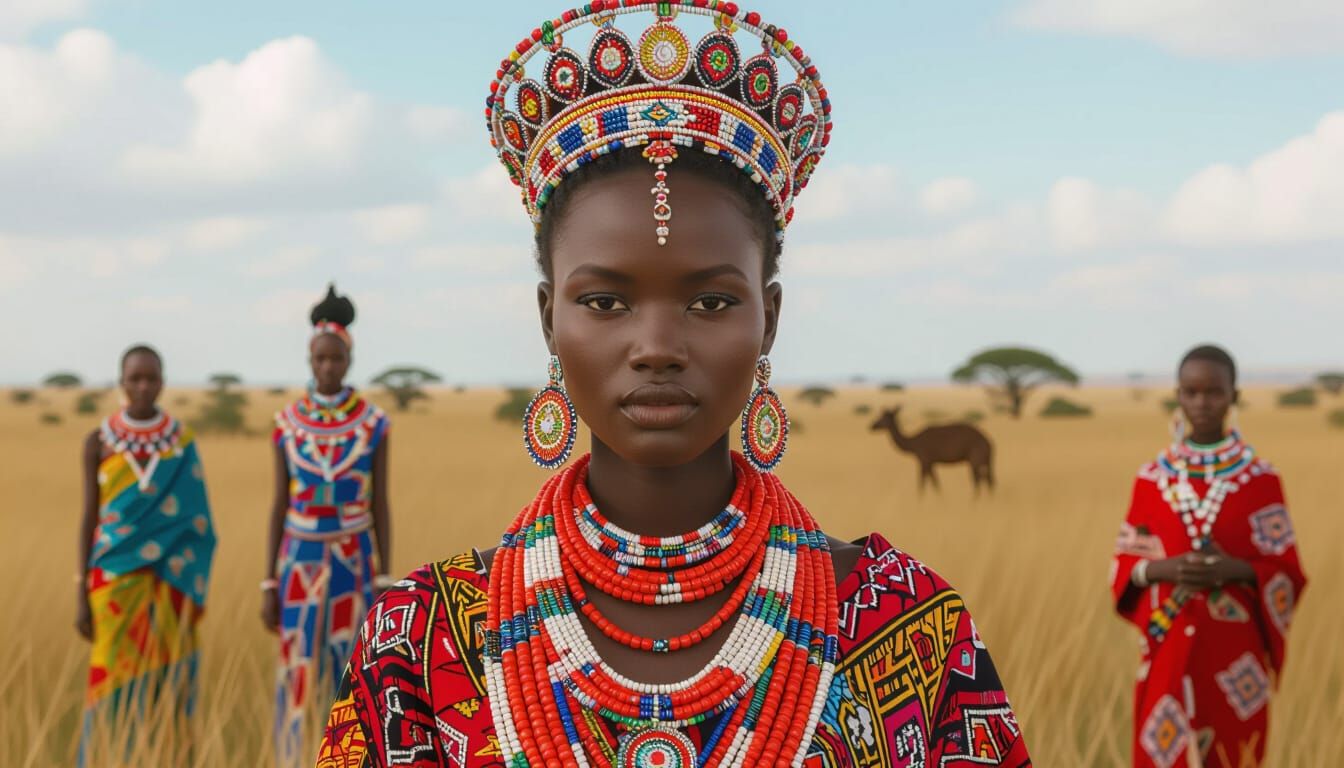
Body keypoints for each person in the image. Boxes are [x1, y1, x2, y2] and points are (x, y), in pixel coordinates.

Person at [318, 5, 1030, 766]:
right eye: (605, 302)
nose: (657, 346)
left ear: (771, 319)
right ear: (547, 319)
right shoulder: (420, 648)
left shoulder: (908, 623)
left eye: (710, 302)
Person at [1110, 345, 1307, 767]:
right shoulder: (1152, 478)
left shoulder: (1260, 479)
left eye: (1214, 392)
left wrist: (1232, 570)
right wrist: (1164, 568)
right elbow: (1125, 566)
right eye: (1191, 392)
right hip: (1167, 646)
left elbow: (1287, 573)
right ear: (1178, 395)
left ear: (1234, 395)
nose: (1202, 403)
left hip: (1235, 660)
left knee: (1235, 754)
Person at [268, 285, 394, 767]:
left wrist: (384, 574)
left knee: (352, 663)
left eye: (336, 359)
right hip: (298, 559)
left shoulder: (372, 422)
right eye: (320, 359)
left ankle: (350, 756)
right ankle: (291, 757)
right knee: (297, 662)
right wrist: (267, 579)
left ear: (349, 359)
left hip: (354, 557)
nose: (327, 367)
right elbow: (278, 503)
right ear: (309, 358)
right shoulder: (286, 423)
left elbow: (380, 500)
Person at [77, 344, 216, 765]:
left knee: (168, 684)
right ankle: (105, 756)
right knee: (109, 681)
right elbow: (89, 518)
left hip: (171, 586)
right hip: (113, 585)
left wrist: (183, 572)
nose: (142, 386)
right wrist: (79, 590)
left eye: (150, 378)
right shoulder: (98, 441)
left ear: (162, 383)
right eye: (134, 378)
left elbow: (199, 523)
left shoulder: (182, 442)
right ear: (121, 382)